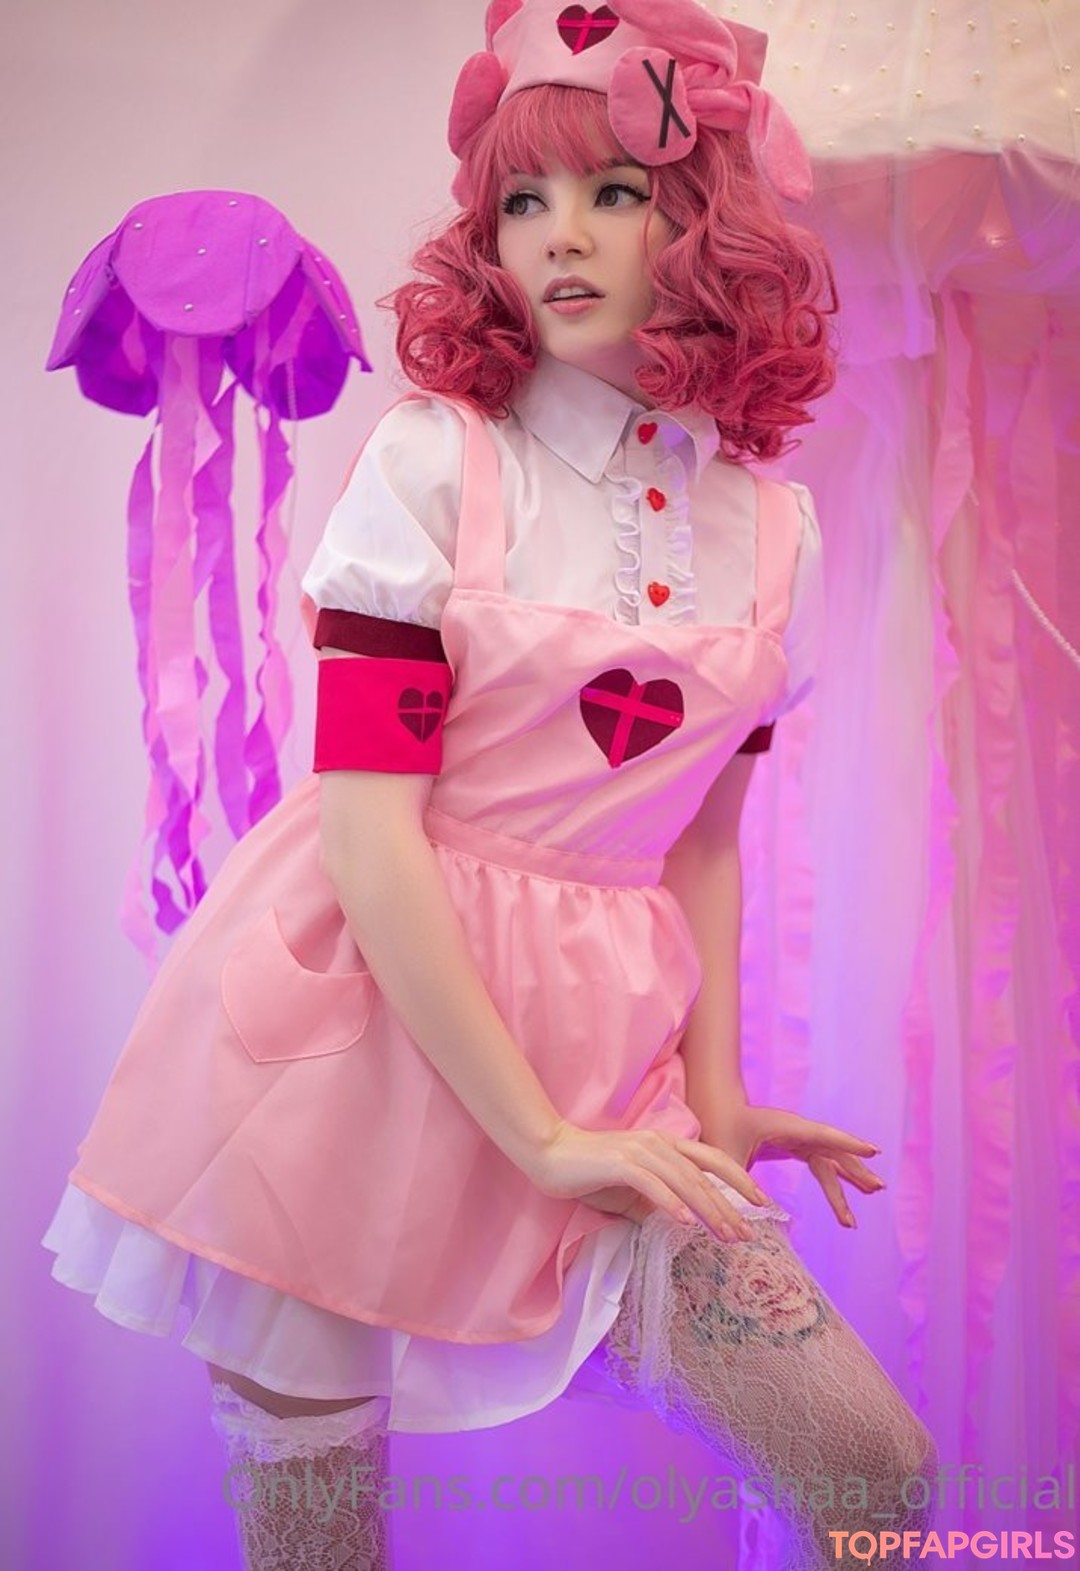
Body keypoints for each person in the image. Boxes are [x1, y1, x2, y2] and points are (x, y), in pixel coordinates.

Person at [42, 2, 939, 1566]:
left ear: (707, 220)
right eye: (523, 200)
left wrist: (715, 1099)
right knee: (321, 1547)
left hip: (609, 1071)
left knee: (876, 1474)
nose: (560, 236)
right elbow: (368, 837)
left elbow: (702, 847)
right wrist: (533, 1137)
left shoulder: (773, 533)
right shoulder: (436, 466)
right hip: (348, 1052)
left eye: (613, 191)